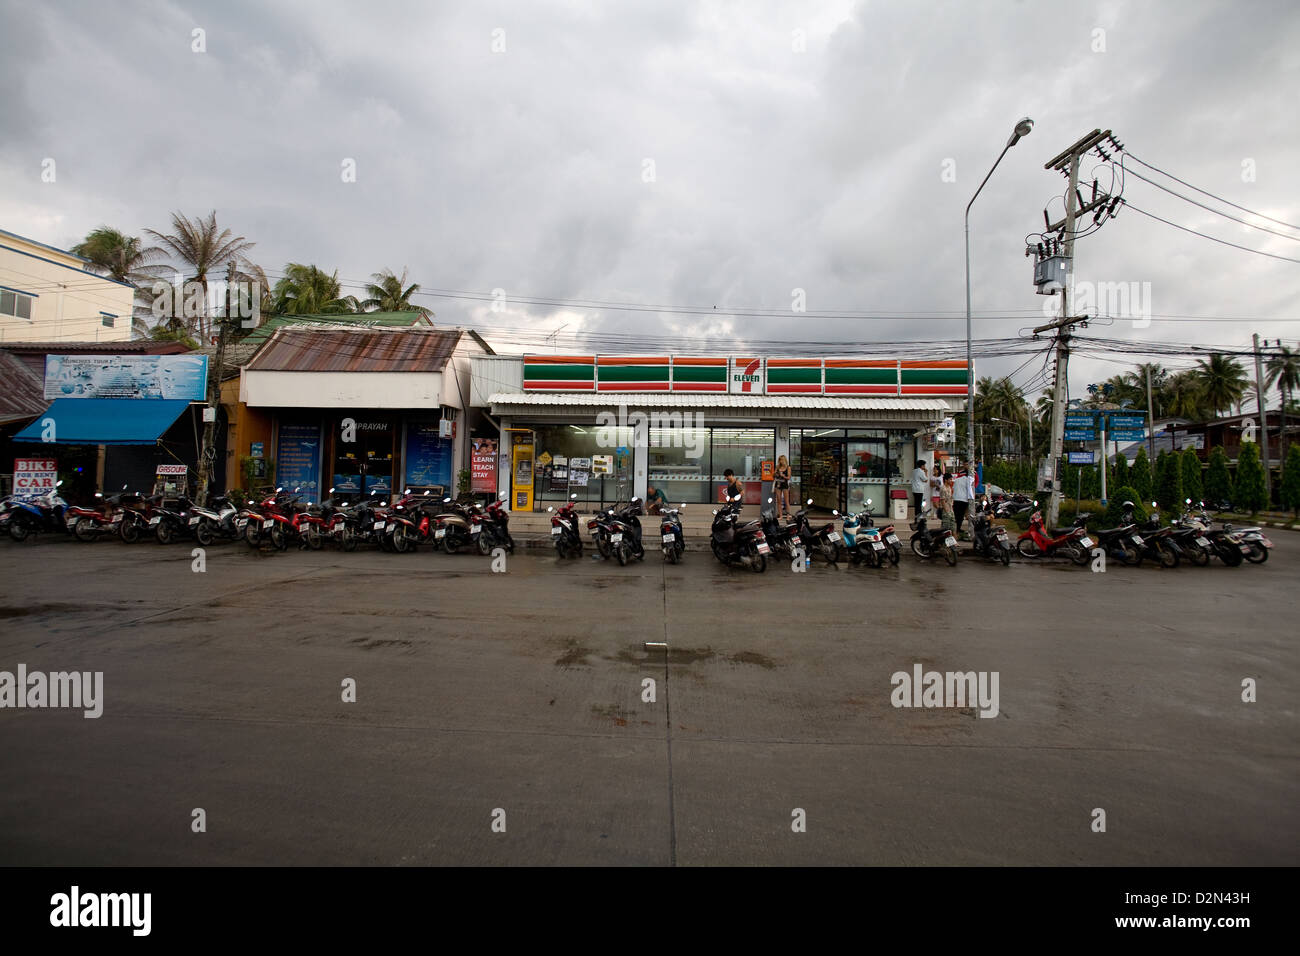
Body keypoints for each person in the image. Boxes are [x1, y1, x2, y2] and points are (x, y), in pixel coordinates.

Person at [952, 461, 973, 537]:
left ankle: (956, 529)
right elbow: (970, 491)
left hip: (956, 499)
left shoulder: (957, 480)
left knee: (956, 515)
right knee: (960, 516)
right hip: (964, 500)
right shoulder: (969, 481)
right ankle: (957, 530)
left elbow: (953, 488)